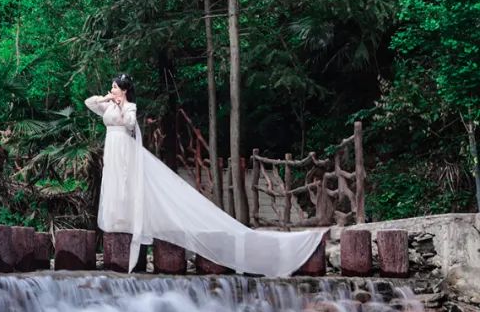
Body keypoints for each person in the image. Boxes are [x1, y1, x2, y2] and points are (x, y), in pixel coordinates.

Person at [85, 74, 327, 275]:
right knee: (114, 183)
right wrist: (107, 98)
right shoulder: (107, 103)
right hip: (112, 147)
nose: (113, 88)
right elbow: (89, 103)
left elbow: (129, 124)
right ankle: (118, 218)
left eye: (115, 86)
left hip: (124, 149)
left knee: (127, 181)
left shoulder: (129, 106)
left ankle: (130, 218)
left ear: (124, 90)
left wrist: (119, 104)